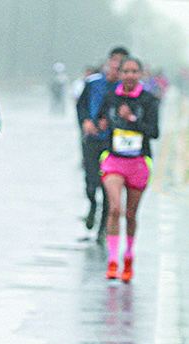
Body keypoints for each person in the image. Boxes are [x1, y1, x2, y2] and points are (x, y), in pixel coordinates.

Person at [96, 57, 159, 282]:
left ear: (140, 74)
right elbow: (101, 120)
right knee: (115, 209)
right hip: (114, 160)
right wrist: (99, 125)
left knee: (131, 215)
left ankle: (129, 255)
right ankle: (113, 259)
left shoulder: (149, 100)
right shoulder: (111, 97)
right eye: (126, 71)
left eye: (134, 71)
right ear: (120, 74)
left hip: (138, 162)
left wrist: (131, 119)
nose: (130, 75)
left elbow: (154, 131)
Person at [76, 46, 129, 238]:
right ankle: (92, 204)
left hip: (113, 143)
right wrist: (85, 122)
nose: (116, 65)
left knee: (109, 185)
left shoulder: (125, 90)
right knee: (91, 182)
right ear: (108, 61)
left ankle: (103, 227)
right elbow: (81, 106)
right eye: (114, 60)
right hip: (92, 139)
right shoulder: (92, 83)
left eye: (121, 62)